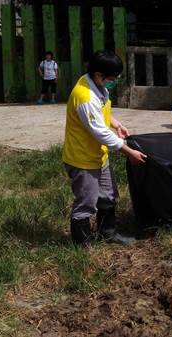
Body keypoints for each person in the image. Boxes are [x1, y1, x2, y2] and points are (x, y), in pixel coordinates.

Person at [62, 50, 146, 247]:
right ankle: (81, 246)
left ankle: (107, 233)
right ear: (99, 75)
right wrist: (128, 151)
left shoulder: (95, 85)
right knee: (86, 202)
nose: (114, 82)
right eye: (112, 78)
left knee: (108, 195)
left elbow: (101, 113)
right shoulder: (85, 96)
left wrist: (116, 124)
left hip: (98, 155)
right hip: (82, 159)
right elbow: (100, 132)